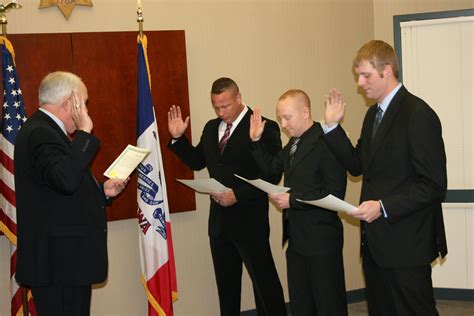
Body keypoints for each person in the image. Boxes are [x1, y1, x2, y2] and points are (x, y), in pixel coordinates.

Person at [323, 40, 447, 315]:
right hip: (376, 244)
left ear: (387, 70)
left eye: (366, 75)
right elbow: (357, 165)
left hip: (407, 244)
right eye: (358, 75)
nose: (359, 83)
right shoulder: (372, 115)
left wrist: (382, 206)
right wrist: (332, 127)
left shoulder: (418, 114)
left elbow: (434, 185)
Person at [167, 77, 286, 316]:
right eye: (216, 107)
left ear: (239, 98)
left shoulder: (264, 126)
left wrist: (238, 195)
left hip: (250, 221)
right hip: (219, 224)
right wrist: (178, 139)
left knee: (265, 286)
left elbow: (271, 177)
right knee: (227, 290)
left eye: (226, 106)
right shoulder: (212, 128)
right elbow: (197, 160)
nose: (221, 112)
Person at [14, 71, 129, 316]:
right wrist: (85, 133)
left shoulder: (46, 131)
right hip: (58, 264)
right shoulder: (40, 133)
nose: (86, 111)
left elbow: (57, 186)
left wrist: (101, 189)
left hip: (65, 263)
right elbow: (66, 179)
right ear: (69, 103)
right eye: (83, 104)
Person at [249, 89, 348, 316]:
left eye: (287, 117)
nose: (283, 124)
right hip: (297, 239)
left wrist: (293, 200)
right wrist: (255, 141)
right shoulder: (294, 143)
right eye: (280, 118)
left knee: (328, 304)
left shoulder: (327, 141)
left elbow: (334, 193)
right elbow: (272, 168)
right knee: (301, 304)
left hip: (322, 240)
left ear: (305, 112)